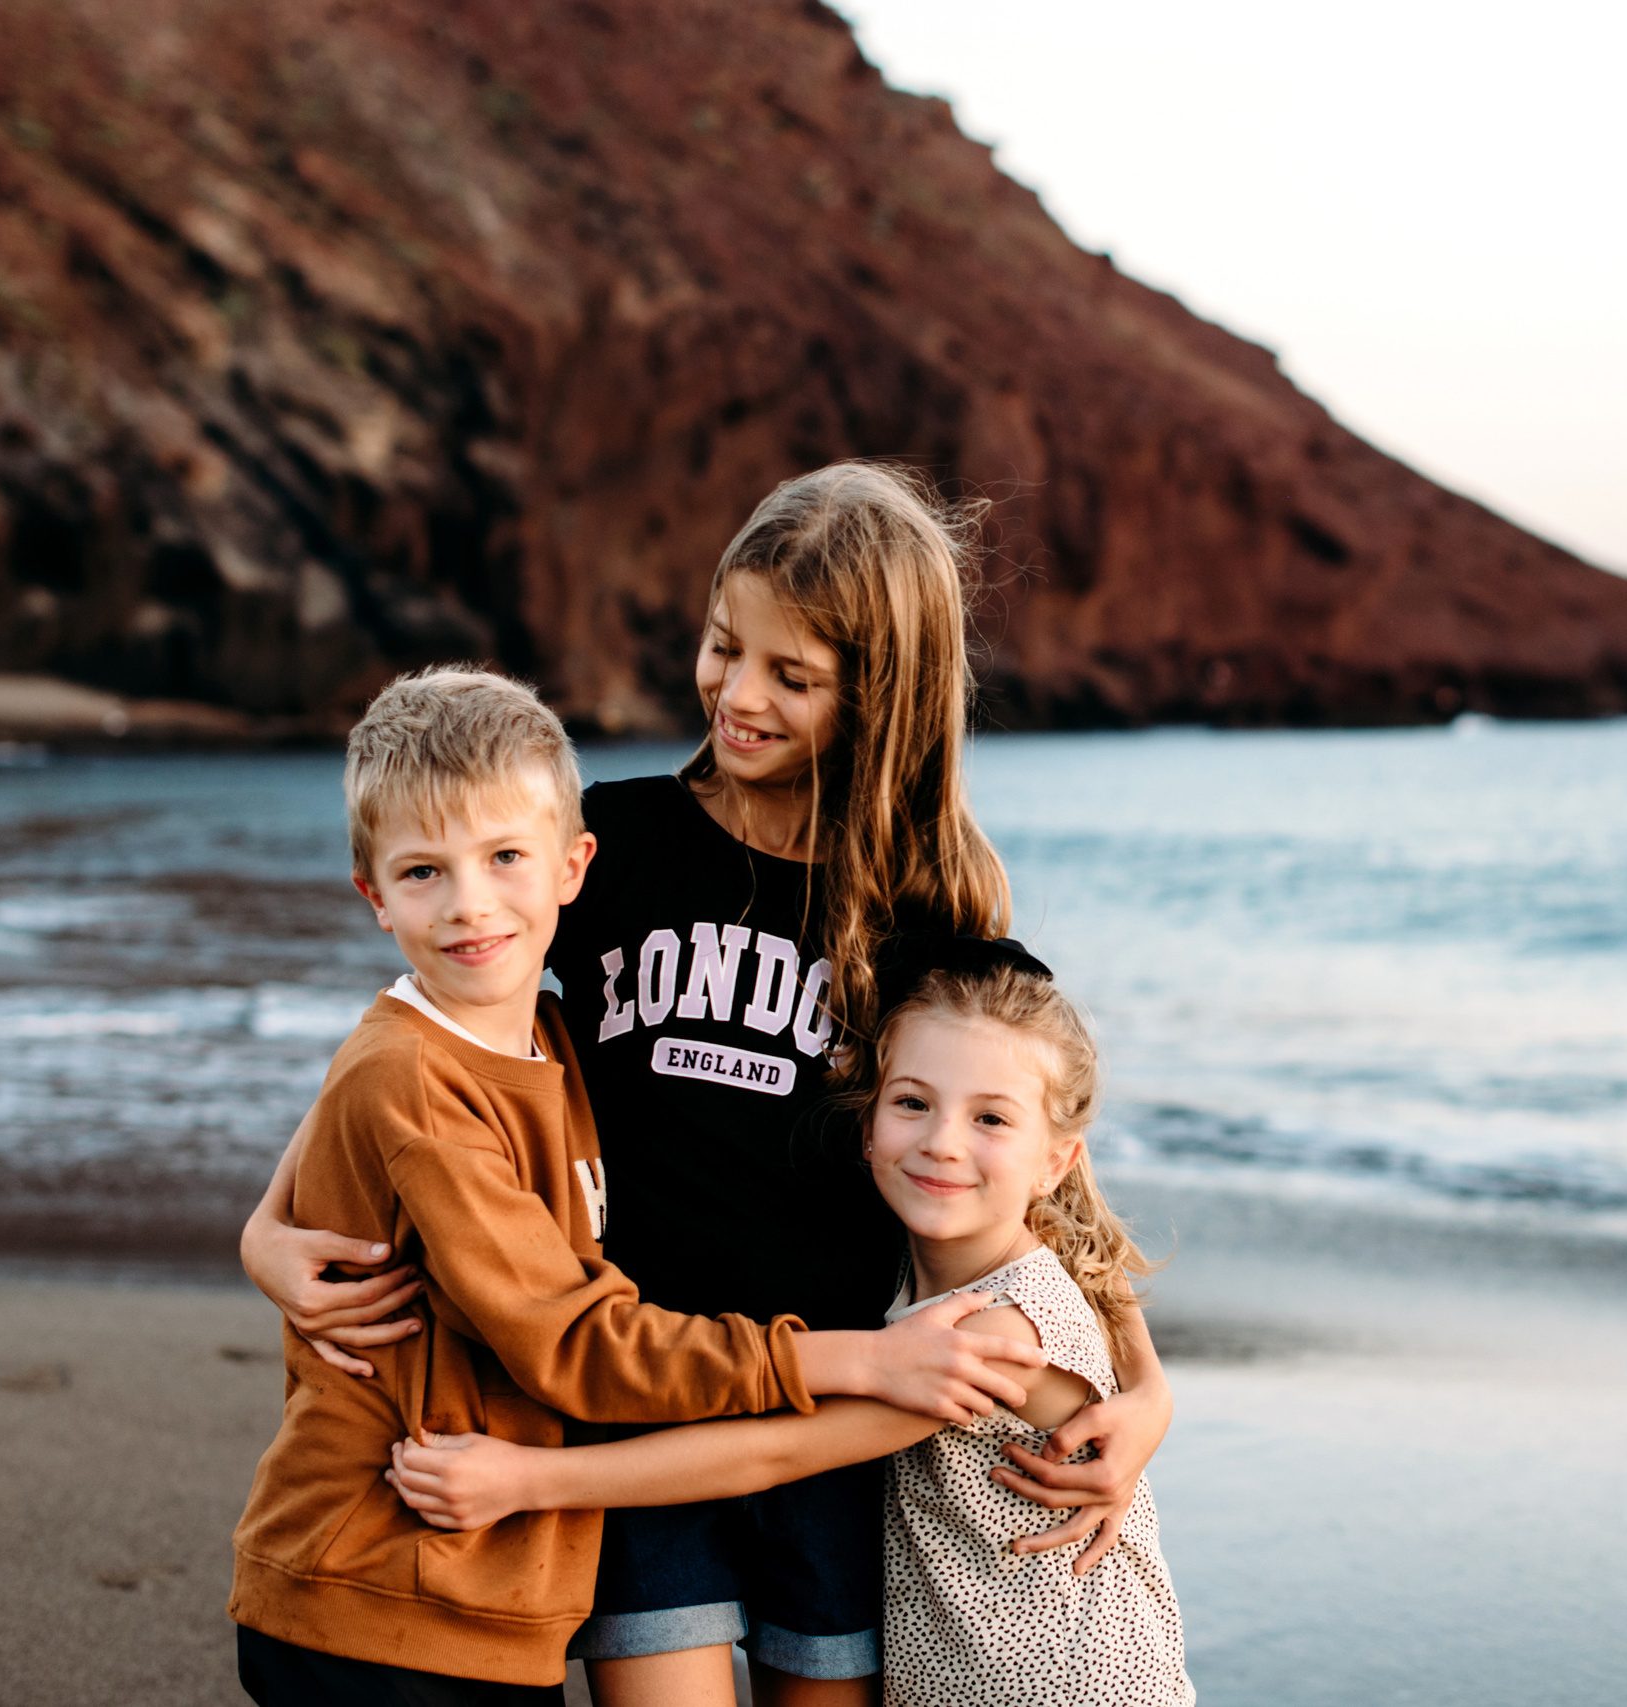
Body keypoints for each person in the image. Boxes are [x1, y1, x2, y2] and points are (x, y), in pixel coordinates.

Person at [243, 464, 1176, 1706]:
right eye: (723, 647)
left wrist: (1146, 1388)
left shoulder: (924, 908)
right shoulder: (611, 848)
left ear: (880, 695)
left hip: (844, 1429)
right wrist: (264, 1229)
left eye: (790, 678)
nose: (737, 696)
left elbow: (1044, 1174)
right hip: (638, 1416)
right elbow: (434, 1036)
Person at [387, 943, 1196, 1707]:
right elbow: (1086, 1255)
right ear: (868, 1118)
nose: (943, 1143)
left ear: (1057, 1158)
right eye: (913, 1103)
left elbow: (773, 1451)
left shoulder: (994, 1336)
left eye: (992, 1119)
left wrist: (525, 1481)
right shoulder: (940, 1262)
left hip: (1071, 1683)